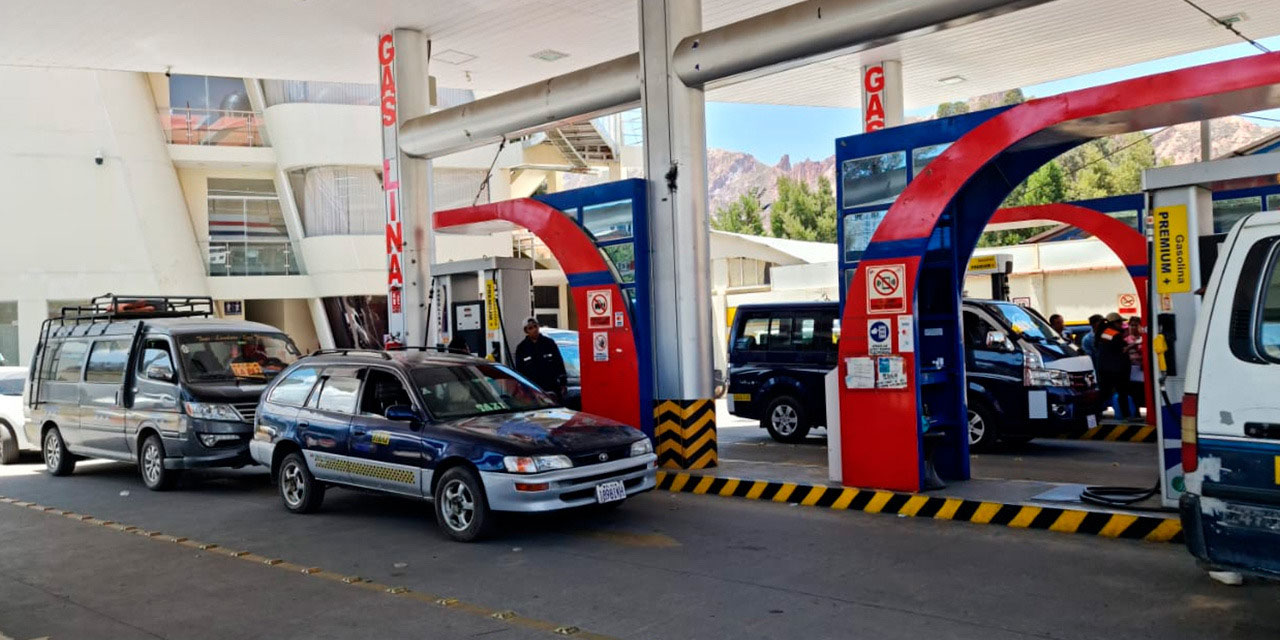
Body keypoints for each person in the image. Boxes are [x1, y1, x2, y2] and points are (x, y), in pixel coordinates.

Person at [514, 317, 567, 400]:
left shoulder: (549, 343)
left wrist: (563, 383)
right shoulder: (521, 348)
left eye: (535, 326)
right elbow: (519, 371)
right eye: (530, 328)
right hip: (532, 391)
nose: (534, 330)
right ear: (526, 331)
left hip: (551, 389)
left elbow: (559, 364)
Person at [1096, 313, 1132, 419]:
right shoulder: (1115, 334)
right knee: (1122, 392)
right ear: (1114, 323)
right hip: (1117, 369)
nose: (1122, 324)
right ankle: (1126, 415)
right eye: (1120, 322)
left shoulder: (1105, 333)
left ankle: (1096, 413)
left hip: (1105, 368)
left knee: (1104, 392)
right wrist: (1133, 345)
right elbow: (1121, 349)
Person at [1124, 316, 1145, 418]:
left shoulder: (1144, 339)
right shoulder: (1126, 340)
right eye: (1131, 325)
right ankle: (1136, 413)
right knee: (1134, 393)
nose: (1133, 327)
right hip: (1132, 370)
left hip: (1143, 370)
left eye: (1136, 325)